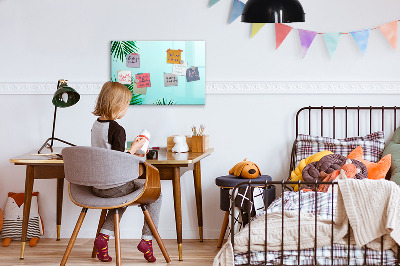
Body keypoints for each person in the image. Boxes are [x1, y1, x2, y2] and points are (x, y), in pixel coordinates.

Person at [91, 81, 161, 263]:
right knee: (156, 194)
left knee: (122, 197)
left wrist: (130, 150)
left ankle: (103, 238)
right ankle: (147, 240)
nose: (126, 109)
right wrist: (135, 149)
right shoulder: (117, 129)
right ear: (117, 105)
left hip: (97, 186)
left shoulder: (96, 125)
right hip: (114, 186)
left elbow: (108, 154)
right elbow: (118, 161)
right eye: (126, 105)